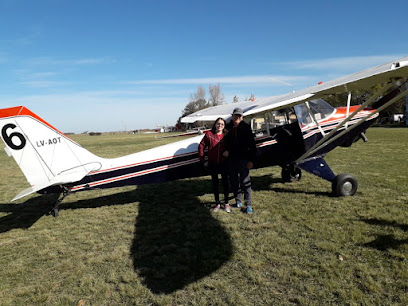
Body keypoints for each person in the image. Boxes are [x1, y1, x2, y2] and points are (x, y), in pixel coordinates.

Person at [224, 108, 257, 214]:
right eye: (235, 115)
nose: (237, 117)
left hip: (243, 160)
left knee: (245, 182)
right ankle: (238, 201)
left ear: (242, 117)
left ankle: (248, 205)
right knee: (233, 181)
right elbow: (225, 142)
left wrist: (251, 160)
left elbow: (252, 145)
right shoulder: (228, 128)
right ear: (232, 116)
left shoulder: (246, 127)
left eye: (239, 116)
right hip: (231, 160)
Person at [198, 118, 230, 212]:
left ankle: (227, 203)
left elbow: (232, 145)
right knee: (215, 183)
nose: (220, 126)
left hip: (224, 163)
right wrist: (203, 160)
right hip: (213, 163)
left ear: (224, 126)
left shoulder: (227, 134)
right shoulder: (209, 134)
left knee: (225, 183)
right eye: (218, 124)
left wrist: (228, 151)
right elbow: (201, 146)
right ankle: (217, 203)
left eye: (222, 124)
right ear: (215, 124)